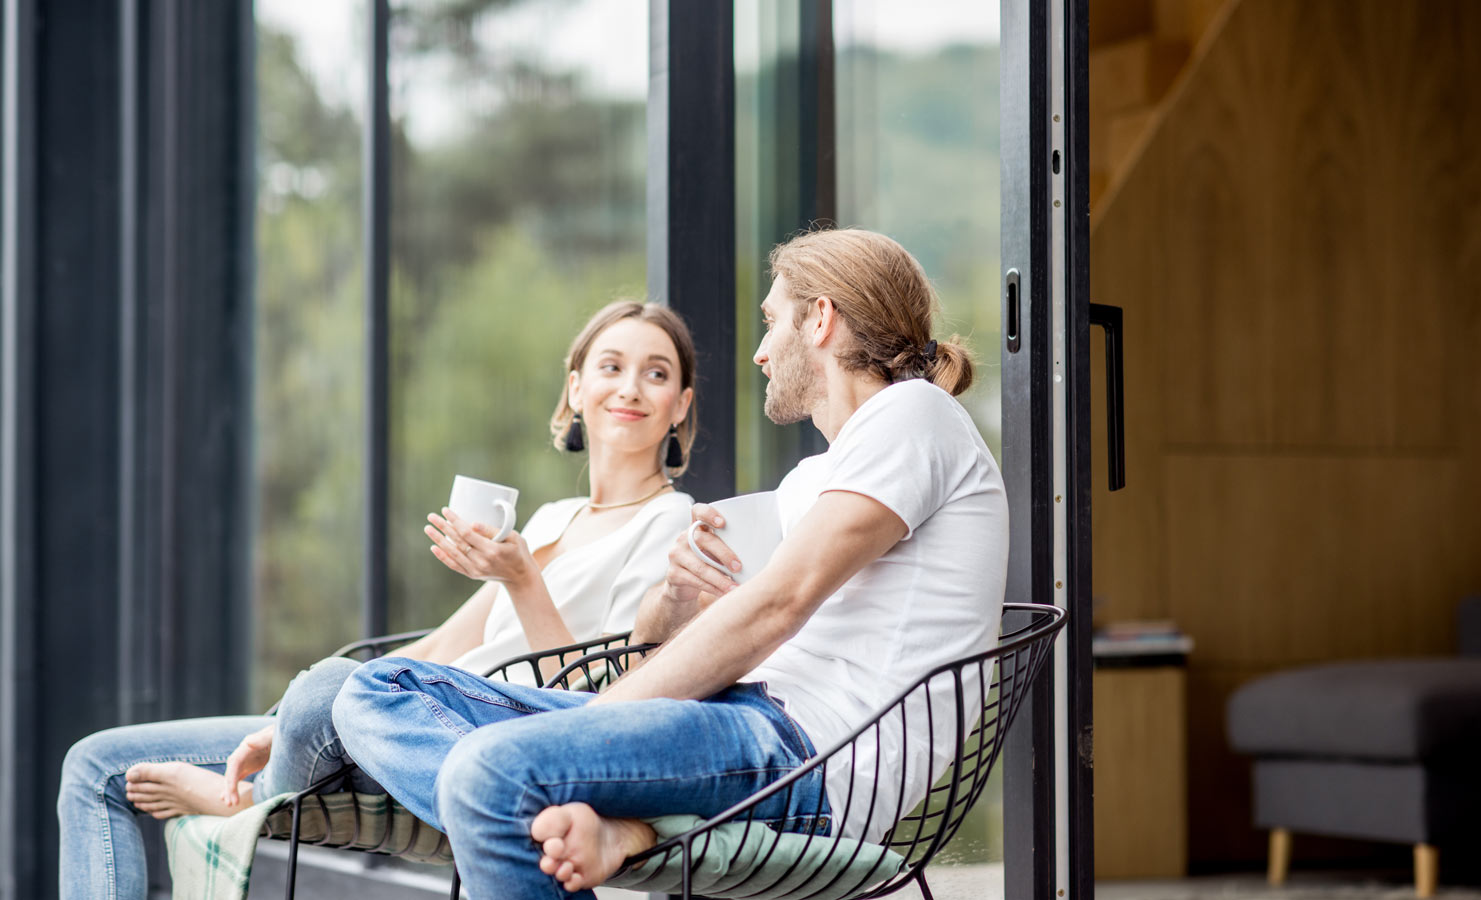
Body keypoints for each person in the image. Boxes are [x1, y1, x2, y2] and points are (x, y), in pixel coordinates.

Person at [331, 228, 1008, 898]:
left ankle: (557, 809)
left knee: (488, 774)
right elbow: (741, 622)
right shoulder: (820, 475)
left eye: (772, 322)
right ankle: (596, 818)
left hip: (803, 755)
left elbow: (777, 605)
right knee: (374, 690)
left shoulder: (915, 415)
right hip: (730, 722)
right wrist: (680, 602)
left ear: (821, 319)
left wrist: (594, 723)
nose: (760, 351)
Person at [56, 300, 699, 900]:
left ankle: (249, 798)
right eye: (611, 367)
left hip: (469, 741)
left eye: (657, 373)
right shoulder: (553, 517)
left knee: (333, 684)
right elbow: (448, 644)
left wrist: (523, 582)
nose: (631, 388)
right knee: (93, 766)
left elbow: (604, 706)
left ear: (680, 405)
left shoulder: (672, 524)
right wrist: (285, 722)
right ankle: (275, 767)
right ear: (575, 389)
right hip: (394, 720)